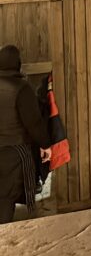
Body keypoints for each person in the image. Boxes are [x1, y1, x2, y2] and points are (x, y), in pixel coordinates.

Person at [0, 46, 51, 224]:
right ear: (17, 64)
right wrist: (46, 144)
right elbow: (34, 123)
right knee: (6, 198)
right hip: (15, 152)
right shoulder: (22, 88)